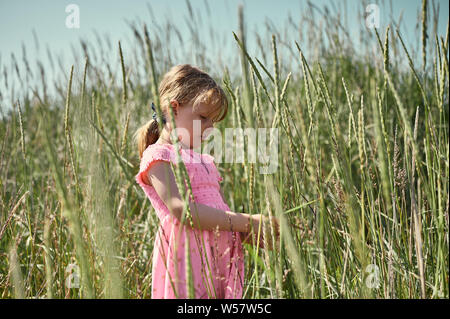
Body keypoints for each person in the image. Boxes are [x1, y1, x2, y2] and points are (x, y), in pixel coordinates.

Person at [134, 64, 279, 299]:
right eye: (203, 118)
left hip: (218, 258)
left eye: (213, 121)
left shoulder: (204, 161)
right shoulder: (159, 156)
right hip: (187, 261)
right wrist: (245, 222)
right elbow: (183, 210)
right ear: (173, 109)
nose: (210, 128)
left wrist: (251, 231)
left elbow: (217, 212)